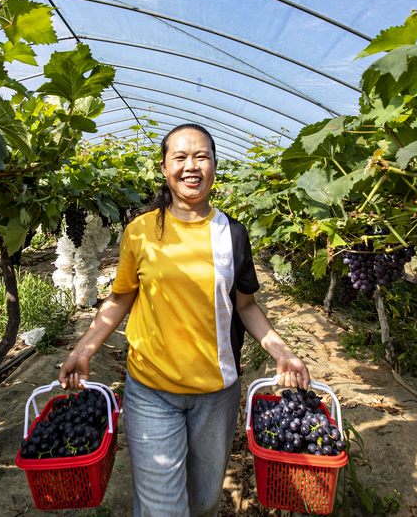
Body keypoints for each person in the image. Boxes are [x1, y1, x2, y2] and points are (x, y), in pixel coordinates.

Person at [58, 123, 310, 517]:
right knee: (162, 507)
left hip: (217, 392)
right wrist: (84, 348)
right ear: (164, 168)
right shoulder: (140, 232)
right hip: (150, 389)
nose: (191, 166)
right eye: (180, 157)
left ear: (213, 166)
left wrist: (282, 352)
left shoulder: (233, 235)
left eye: (201, 156)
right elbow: (121, 296)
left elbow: (246, 306)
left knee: (204, 501)